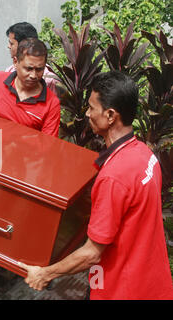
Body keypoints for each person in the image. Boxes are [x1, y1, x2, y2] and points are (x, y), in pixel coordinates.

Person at [19, 71, 173, 300]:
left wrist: (45, 274)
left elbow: (92, 254)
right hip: (152, 283)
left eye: (92, 108)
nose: (88, 114)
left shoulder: (114, 176)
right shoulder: (145, 155)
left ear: (110, 115)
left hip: (122, 290)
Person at [0, 22, 57, 112]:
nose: (8, 46)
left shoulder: (49, 79)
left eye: (12, 43)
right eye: (28, 69)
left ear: (23, 45)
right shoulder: (8, 72)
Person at [0, 38, 60, 137]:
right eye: (29, 69)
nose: (33, 75)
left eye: (39, 69)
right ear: (15, 62)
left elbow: (47, 147)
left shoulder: (52, 104)